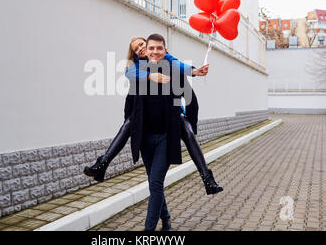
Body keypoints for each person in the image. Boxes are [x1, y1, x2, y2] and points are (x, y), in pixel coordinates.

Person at [84, 36, 222, 197]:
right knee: (129, 125)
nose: (141, 49)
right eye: (136, 49)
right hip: (147, 120)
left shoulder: (166, 59)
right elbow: (129, 84)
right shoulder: (137, 68)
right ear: (135, 54)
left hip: (173, 115)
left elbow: (179, 67)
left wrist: (194, 71)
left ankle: (207, 178)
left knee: (188, 132)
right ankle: (102, 164)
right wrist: (150, 76)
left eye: (142, 44)